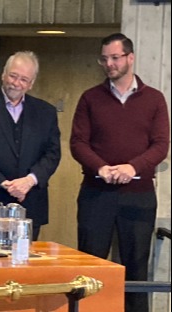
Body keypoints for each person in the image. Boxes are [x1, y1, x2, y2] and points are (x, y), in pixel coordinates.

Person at [70, 33, 169, 312]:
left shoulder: (154, 99)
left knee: (136, 266)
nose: (109, 64)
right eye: (105, 59)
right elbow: (78, 142)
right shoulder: (90, 98)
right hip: (96, 194)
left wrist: (132, 167)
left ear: (130, 57)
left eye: (115, 58)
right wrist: (101, 167)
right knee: (91, 265)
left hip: (138, 196)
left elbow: (161, 144)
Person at [0, 51, 61, 241]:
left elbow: (53, 153)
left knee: (25, 268)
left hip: (30, 203)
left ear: (31, 83)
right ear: (3, 74)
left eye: (24, 79)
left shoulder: (46, 112)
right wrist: (4, 183)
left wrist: (29, 181)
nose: (16, 83)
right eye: (13, 76)